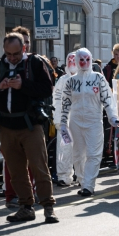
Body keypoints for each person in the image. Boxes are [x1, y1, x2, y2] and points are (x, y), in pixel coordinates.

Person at [0, 33, 58, 224]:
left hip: (30, 125)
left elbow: (46, 89)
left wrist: (23, 85)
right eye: (8, 54)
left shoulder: (34, 64)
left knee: (39, 167)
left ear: (24, 48)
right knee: (16, 171)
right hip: (7, 126)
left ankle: (48, 207)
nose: (12, 58)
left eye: (15, 53)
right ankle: (25, 207)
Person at [60, 48, 118, 196]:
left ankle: (88, 186)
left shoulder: (98, 78)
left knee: (94, 154)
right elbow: (65, 103)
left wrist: (112, 116)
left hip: (94, 121)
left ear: (91, 59)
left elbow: (107, 98)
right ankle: (82, 180)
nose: (84, 62)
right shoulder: (71, 81)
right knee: (78, 154)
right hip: (76, 122)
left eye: (87, 59)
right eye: (81, 60)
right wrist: (62, 123)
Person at [52, 52, 77, 187]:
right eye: (70, 61)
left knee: (81, 148)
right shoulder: (62, 80)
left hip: (80, 121)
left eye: (74, 60)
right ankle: (64, 176)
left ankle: (83, 176)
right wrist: (57, 119)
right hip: (64, 122)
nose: (72, 63)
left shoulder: (86, 79)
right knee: (64, 148)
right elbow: (56, 100)